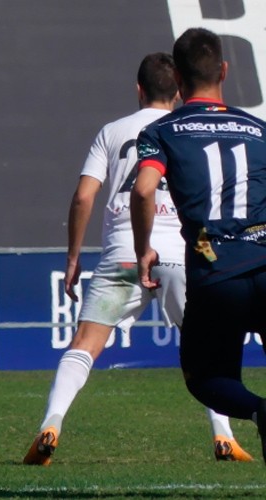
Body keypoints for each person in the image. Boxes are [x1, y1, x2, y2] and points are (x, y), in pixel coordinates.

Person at [23, 52, 252, 466]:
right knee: (207, 350)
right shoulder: (184, 130)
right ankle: (224, 436)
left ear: (138, 89)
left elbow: (83, 196)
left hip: (123, 253)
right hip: (177, 254)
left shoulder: (111, 132)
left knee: (84, 345)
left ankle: (51, 424)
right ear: (179, 88)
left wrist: (74, 257)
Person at [132, 28, 266, 463]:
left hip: (217, 273)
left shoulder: (162, 130)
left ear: (179, 78)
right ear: (224, 70)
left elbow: (144, 189)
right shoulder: (258, 128)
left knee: (205, 376)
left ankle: (260, 412)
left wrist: (143, 249)